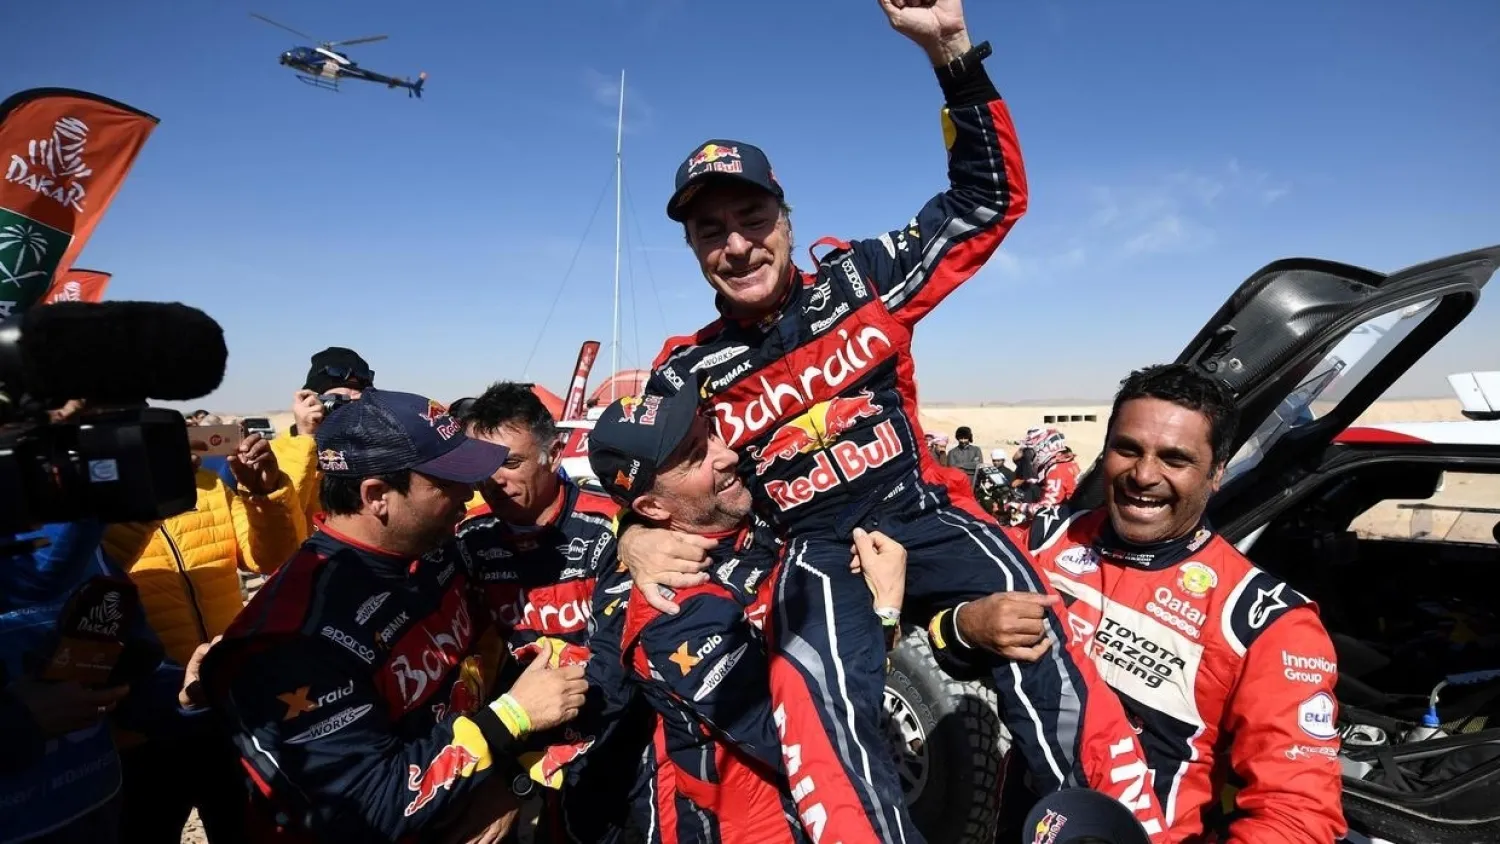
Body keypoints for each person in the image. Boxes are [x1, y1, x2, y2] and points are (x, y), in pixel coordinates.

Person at [618, 1, 1167, 840]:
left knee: (1041, 637)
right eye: (710, 231)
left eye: (752, 219)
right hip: (813, 550)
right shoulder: (685, 371)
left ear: (787, 219)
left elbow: (986, 202)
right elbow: (633, 468)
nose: (736, 245)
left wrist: (949, 51)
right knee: (817, 702)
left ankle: (1108, 830)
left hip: (922, 510)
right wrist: (630, 532)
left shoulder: (862, 280)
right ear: (694, 250)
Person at [201, 388, 589, 844]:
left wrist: (640, 541)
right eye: (448, 483)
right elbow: (364, 809)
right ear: (377, 495)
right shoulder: (291, 641)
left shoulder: (438, 549)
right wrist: (514, 717)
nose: (471, 494)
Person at [977, 364, 1346, 842]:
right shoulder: (1045, 541)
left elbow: (1299, 814)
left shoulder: (1264, 620)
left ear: (1216, 474)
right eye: (1127, 449)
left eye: (1175, 459)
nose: (1143, 475)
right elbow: (947, 630)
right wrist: (966, 626)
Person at [588, 380, 909, 843]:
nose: (727, 455)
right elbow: (808, 736)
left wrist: (631, 534)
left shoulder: (738, 505)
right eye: (696, 455)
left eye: (711, 431)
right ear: (653, 506)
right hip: (762, 827)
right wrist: (883, 614)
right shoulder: (670, 608)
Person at [451, 382, 648, 843]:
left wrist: (521, 775)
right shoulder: (468, 538)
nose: (494, 480)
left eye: (512, 463)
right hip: (513, 738)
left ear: (554, 453)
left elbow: (615, 672)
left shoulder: (612, 528)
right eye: (483, 466)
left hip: (608, 739)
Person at [101, 419, 301, 844]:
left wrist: (263, 493)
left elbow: (271, 558)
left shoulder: (208, 485)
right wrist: (148, 500)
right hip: (144, 722)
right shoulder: (91, 511)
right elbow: (89, 578)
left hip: (226, 702)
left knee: (245, 830)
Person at [269, 346, 375, 533]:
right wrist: (306, 437)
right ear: (311, 401)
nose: (348, 413)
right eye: (338, 403)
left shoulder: (372, 446)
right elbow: (280, 521)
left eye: (357, 404)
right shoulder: (277, 453)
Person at [1006, 427, 1081, 525]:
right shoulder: (1068, 463)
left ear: (1042, 448)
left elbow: (1046, 509)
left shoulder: (1056, 470)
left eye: (1030, 452)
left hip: (1064, 522)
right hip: (1071, 516)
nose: (1029, 456)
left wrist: (1018, 506)